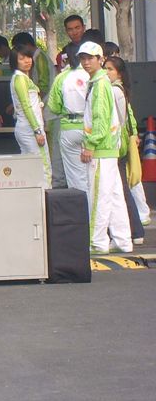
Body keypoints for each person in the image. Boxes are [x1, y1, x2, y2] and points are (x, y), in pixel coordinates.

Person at [77, 41, 132, 254]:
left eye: (90, 58)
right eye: (83, 58)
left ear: (100, 59)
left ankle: (97, 241)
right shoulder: (101, 83)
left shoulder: (99, 84)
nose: (86, 62)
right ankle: (122, 240)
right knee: (114, 196)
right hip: (108, 148)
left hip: (100, 149)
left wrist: (90, 145)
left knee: (98, 196)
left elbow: (99, 119)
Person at [104, 56, 149, 244]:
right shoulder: (120, 90)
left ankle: (135, 231)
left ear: (119, 73)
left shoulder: (114, 91)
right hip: (120, 143)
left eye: (110, 69)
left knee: (120, 189)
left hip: (116, 146)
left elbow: (118, 121)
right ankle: (135, 231)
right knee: (122, 188)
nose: (106, 72)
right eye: (105, 68)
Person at [47, 46, 92, 192]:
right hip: (90, 127)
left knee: (75, 175)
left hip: (69, 128)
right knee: (92, 172)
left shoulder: (61, 77)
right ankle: (94, 208)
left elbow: (53, 106)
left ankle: (81, 209)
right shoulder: (92, 75)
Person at [9, 42, 51, 186]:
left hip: (27, 128)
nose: (27, 61)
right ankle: (45, 202)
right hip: (30, 129)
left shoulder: (21, 77)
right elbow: (26, 106)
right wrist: (37, 130)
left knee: (29, 168)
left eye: (28, 57)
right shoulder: (20, 78)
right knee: (43, 167)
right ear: (15, 61)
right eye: (21, 58)